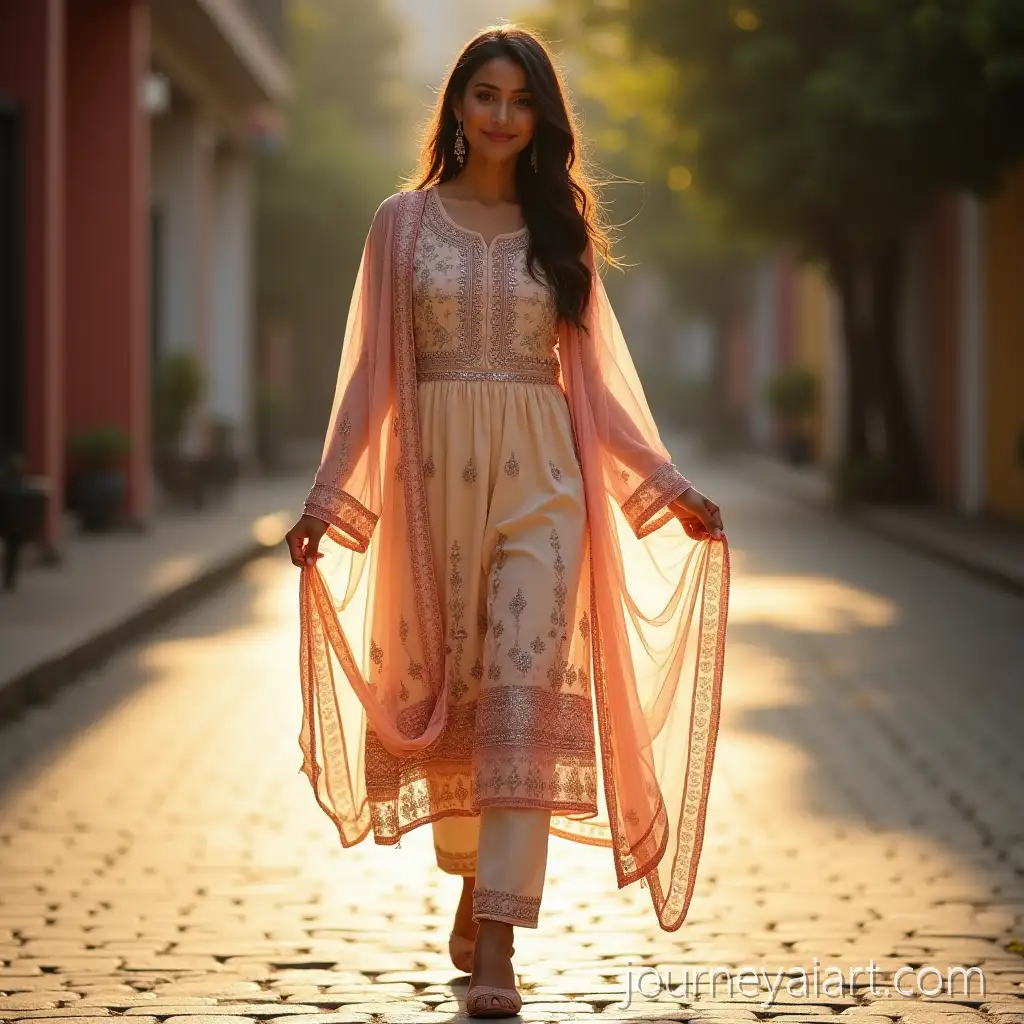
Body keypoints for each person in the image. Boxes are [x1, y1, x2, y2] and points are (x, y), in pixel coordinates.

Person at [285, 25, 730, 1019]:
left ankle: (497, 939)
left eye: (517, 99)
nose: (497, 114)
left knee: (523, 698)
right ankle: (469, 881)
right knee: (466, 703)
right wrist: (326, 497)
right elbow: (369, 379)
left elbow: (599, 390)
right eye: (481, 95)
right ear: (454, 107)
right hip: (430, 491)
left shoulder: (557, 234)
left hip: (543, 485)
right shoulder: (400, 224)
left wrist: (668, 483)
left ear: (540, 119)